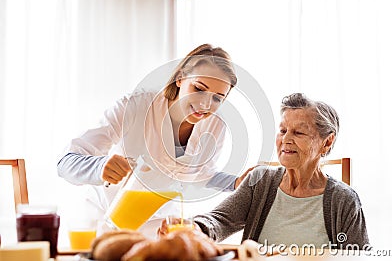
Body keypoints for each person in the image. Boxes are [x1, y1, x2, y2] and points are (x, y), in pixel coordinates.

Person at [57, 44, 249, 236]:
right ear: (180, 78)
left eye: (217, 98)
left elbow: (200, 174)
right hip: (107, 222)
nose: (205, 105)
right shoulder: (135, 106)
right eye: (199, 89)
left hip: (160, 228)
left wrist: (235, 182)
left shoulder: (215, 125)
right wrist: (99, 167)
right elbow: (65, 162)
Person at [159, 93, 369, 249]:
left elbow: (360, 256)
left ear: (327, 141)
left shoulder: (344, 200)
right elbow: (220, 220)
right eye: (283, 130)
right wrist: (193, 228)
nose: (286, 139)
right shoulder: (260, 180)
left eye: (298, 132)